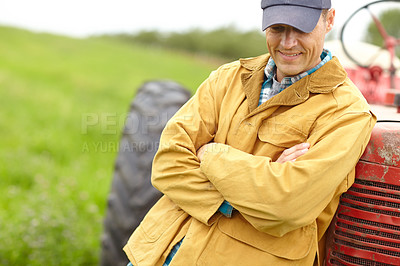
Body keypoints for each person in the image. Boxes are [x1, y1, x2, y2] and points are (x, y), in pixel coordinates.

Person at [124, 0, 376, 265]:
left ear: (330, 20)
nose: (288, 43)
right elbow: (167, 162)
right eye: (278, 28)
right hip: (159, 251)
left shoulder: (347, 113)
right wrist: (248, 192)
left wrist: (210, 154)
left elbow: (285, 204)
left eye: (301, 29)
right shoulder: (228, 77)